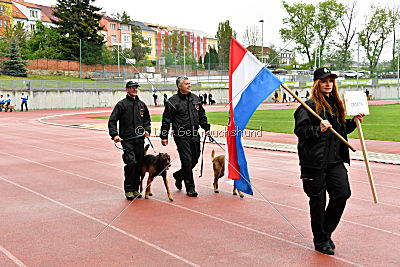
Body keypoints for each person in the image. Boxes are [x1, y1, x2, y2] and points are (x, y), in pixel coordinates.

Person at [294, 67, 365, 255]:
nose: (328, 84)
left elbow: (340, 132)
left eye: (331, 81)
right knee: (317, 202)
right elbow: (301, 132)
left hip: (335, 161)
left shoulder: (336, 105)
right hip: (314, 164)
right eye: (324, 81)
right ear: (317, 83)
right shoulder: (307, 106)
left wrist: (354, 122)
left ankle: (324, 233)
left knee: (342, 194)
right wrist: (319, 128)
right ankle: (321, 240)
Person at [160, 76, 210, 197]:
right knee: (186, 160)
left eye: (189, 83)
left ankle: (179, 175)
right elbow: (166, 120)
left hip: (194, 134)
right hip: (181, 135)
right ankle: (190, 187)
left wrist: (206, 127)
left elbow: (201, 115)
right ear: (179, 86)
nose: (189, 85)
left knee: (195, 158)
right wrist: (164, 135)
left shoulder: (196, 99)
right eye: (186, 84)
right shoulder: (172, 101)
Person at [108, 81, 151, 200]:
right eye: (132, 88)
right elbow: (112, 121)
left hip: (140, 140)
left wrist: (147, 130)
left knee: (138, 164)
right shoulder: (121, 105)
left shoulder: (142, 105)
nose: (134, 89)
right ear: (127, 90)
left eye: (136, 88)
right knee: (131, 163)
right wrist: (115, 135)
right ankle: (128, 189)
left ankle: (136, 188)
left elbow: (147, 120)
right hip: (127, 140)